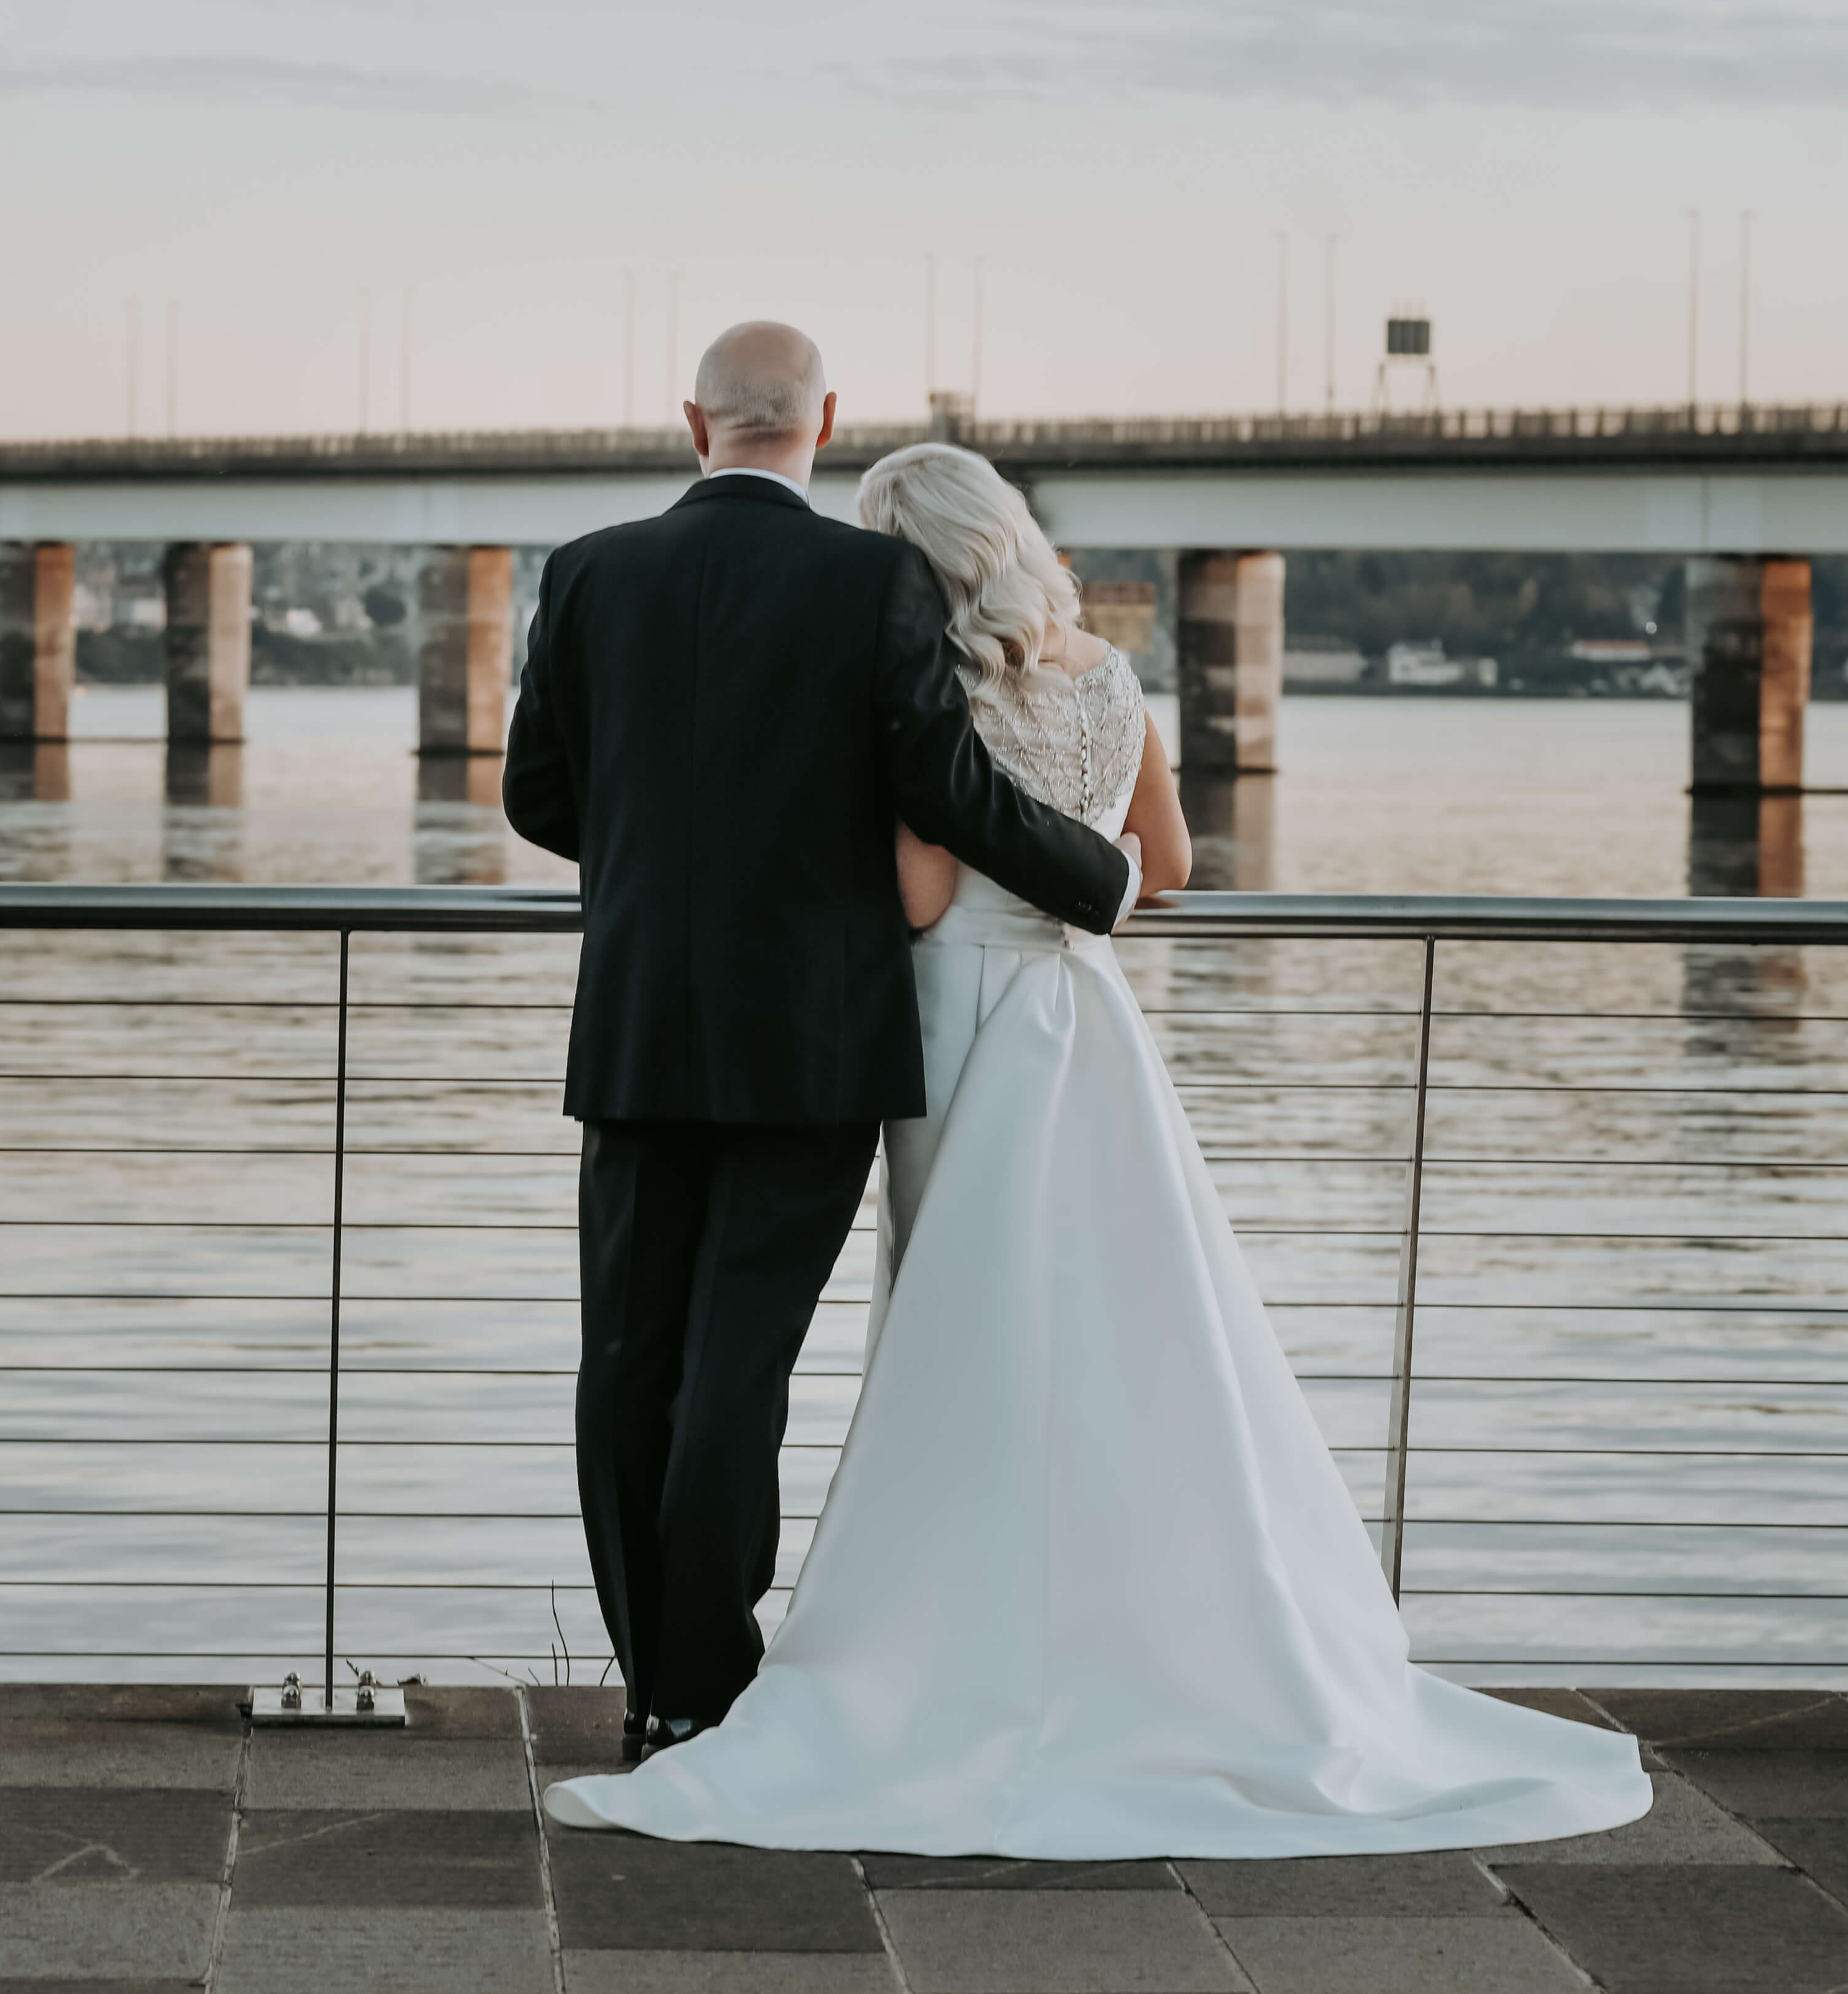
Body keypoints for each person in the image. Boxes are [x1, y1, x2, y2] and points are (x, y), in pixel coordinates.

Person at [542, 442, 1651, 1856]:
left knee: (950, 1328)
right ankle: (1145, 1631)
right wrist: (1099, 881)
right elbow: (1169, 864)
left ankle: (781, 1667)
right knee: (1122, 1327)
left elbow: (925, 897)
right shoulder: (1110, 676)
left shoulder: (909, 678)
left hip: (949, 1030)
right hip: (1085, 1014)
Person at [502, 324, 1139, 1765]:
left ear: (692, 422)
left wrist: (661, 853)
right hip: (811, 1032)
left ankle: (650, 1677)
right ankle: (705, 1685)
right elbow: (945, 782)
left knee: (628, 1351)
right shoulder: (874, 581)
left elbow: (540, 798)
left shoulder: (591, 570)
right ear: (826, 422)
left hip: (642, 1019)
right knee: (742, 1359)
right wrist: (1096, 881)